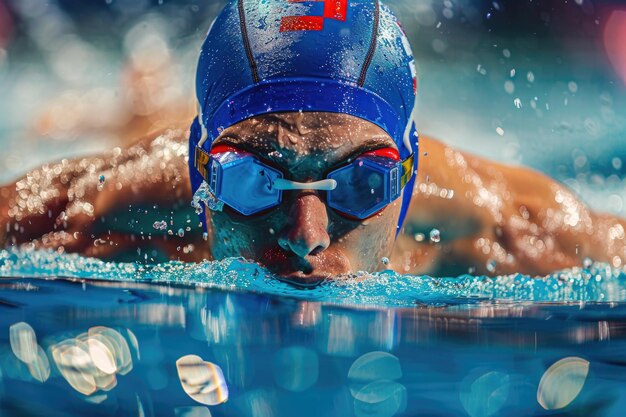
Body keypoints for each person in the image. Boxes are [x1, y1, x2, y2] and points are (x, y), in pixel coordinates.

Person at [1, 0, 625, 286]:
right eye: (252, 177)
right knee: (130, 123)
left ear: (406, 175)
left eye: (361, 181)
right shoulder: (101, 213)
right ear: (201, 175)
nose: (306, 236)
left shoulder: (508, 227)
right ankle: (139, 103)